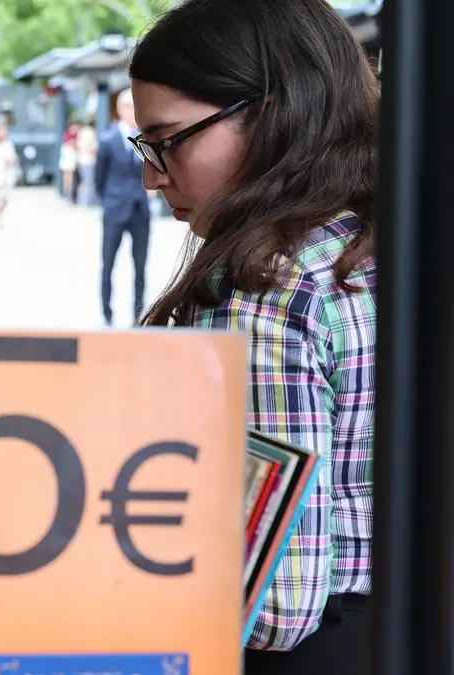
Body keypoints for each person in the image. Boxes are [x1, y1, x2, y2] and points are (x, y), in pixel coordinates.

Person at [130, 0, 377, 673]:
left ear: (270, 112)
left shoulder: (265, 285)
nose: (152, 175)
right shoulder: (379, 240)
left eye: (168, 139)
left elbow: (276, 604)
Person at [94, 89, 151, 326]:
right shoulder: (107, 140)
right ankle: (107, 314)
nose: (134, 111)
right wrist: (108, 201)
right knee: (108, 263)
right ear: (120, 109)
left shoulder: (145, 140)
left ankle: (138, 314)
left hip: (140, 210)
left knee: (140, 266)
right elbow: (99, 178)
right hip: (114, 209)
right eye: (130, 106)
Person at [75, 120, 98, 206]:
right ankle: (87, 201)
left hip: (81, 160)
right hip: (89, 160)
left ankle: (82, 199)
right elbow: (94, 147)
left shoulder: (81, 132)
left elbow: (78, 144)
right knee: (89, 182)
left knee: (84, 181)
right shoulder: (90, 132)